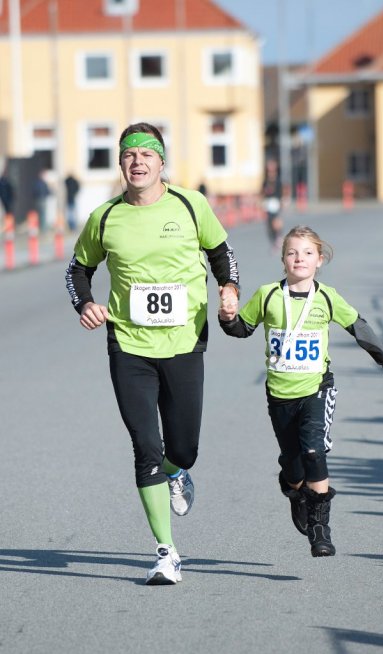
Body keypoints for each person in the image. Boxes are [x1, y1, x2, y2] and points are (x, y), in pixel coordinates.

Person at [65, 122, 240, 585]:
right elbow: (77, 270)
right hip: (129, 347)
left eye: (146, 155)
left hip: (184, 343)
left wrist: (229, 287)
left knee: (183, 447)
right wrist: (85, 304)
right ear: (120, 163)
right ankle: (166, 553)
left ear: (162, 162)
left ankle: (177, 472)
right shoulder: (105, 217)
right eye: (128, 155)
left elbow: (222, 252)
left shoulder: (190, 204)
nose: (137, 162)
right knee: (145, 447)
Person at [218, 225, 383, 558]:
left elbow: (359, 328)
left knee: (314, 451)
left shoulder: (326, 297)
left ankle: (321, 530)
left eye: (308, 253)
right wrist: (227, 317)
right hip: (280, 394)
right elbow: (242, 329)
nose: (300, 258)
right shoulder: (268, 295)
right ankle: (295, 493)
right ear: (283, 259)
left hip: (316, 388)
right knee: (294, 470)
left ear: (319, 260)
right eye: (292, 252)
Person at [261, 159, 283, 251]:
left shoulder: (278, 180)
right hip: (267, 203)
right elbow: (262, 192)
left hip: (275, 202)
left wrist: (282, 202)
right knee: (269, 223)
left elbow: (281, 192)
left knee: (275, 220)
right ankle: (274, 240)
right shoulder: (266, 180)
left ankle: (279, 237)